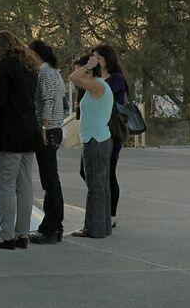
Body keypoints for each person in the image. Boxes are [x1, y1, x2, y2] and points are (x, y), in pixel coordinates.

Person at [0, 31, 44, 249]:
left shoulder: (3, 66)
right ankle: (23, 233)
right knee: (25, 184)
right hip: (29, 131)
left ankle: (6, 235)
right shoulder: (30, 67)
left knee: (6, 184)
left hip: (10, 133)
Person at [69, 51, 114, 238]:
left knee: (95, 185)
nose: (77, 72)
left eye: (80, 68)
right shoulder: (96, 87)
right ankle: (102, 226)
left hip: (95, 140)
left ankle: (93, 228)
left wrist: (88, 65)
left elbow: (73, 78)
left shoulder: (98, 86)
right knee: (101, 184)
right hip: (96, 139)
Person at [28, 39, 66, 244]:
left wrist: (43, 127)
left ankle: (51, 226)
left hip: (49, 130)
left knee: (50, 179)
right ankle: (53, 225)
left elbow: (48, 101)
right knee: (51, 178)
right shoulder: (54, 72)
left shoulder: (46, 73)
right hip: (54, 129)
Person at [95, 43, 127, 228]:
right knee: (89, 171)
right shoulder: (100, 77)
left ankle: (111, 214)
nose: (95, 61)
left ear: (107, 59)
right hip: (99, 129)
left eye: (98, 57)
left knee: (109, 172)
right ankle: (103, 206)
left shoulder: (116, 79)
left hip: (112, 130)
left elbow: (101, 95)